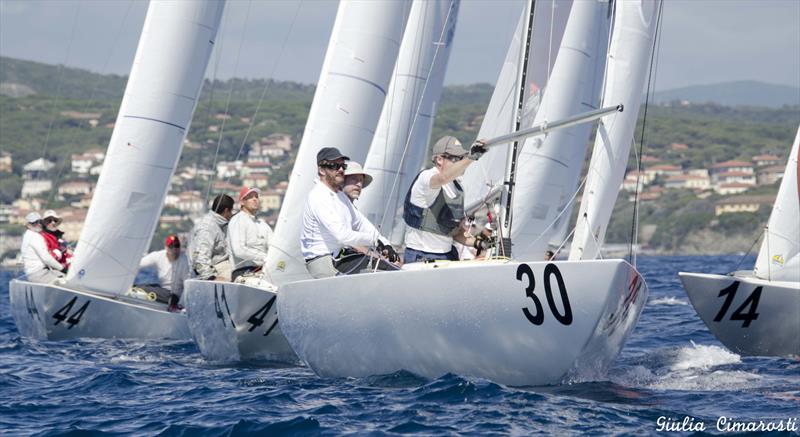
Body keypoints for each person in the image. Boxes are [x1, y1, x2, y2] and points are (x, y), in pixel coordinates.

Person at [301, 147, 399, 279]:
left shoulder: (339, 196)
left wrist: (385, 243)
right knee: (384, 272)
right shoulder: (318, 196)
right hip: (323, 262)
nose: (340, 169)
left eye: (342, 166)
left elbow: (362, 224)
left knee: (389, 269)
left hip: (339, 258)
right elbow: (343, 236)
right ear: (321, 170)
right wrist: (375, 241)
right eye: (334, 166)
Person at [402, 136, 488, 263]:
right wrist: (470, 158)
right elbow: (442, 178)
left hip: (448, 255)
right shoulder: (426, 177)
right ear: (439, 159)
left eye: (461, 158)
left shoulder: (457, 187)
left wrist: (480, 243)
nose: (459, 162)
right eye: (455, 158)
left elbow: (454, 232)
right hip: (422, 256)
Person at [228, 186, 274, 281]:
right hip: (242, 273)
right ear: (242, 202)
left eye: (256, 197)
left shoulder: (263, 224)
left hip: (264, 271)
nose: (254, 199)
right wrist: (265, 257)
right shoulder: (237, 220)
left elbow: (274, 247)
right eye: (250, 197)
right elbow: (239, 250)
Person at [188, 193, 234, 281]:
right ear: (226, 211)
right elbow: (200, 257)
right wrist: (212, 278)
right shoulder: (208, 227)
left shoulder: (220, 224)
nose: (231, 214)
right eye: (231, 211)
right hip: (212, 272)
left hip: (223, 265)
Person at [139, 234, 191, 309]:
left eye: (176, 246)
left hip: (175, 297)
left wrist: (180, 305)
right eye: (171, 246)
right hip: (162, 292)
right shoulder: (158, 255)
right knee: (139, 288)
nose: (174, 249)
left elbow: (187, 286)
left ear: (180, 247)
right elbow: (138, 264)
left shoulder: (185, 261)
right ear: (166, 247)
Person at [21, 212, 66, 283]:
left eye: (40, 221)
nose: (38, 224)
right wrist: (62, 268)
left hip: (38, 272)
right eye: (34, 222)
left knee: (67, 276)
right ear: (28, 225)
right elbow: (46, 258)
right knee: (66, 281)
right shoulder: (35, 237)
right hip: (39, 274)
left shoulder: (27, 235)